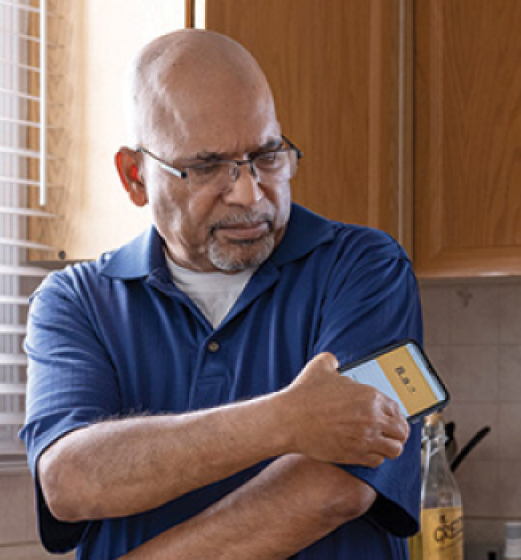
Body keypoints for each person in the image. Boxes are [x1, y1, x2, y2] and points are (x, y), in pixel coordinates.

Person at [20, 29, 423, 559]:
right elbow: (71, 482)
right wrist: (286, 419)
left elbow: (335, 490)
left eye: (267, 156)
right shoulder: (74, 302)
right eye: (208, 167)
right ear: (135, 177)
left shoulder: (368, 268)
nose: (250, 193)